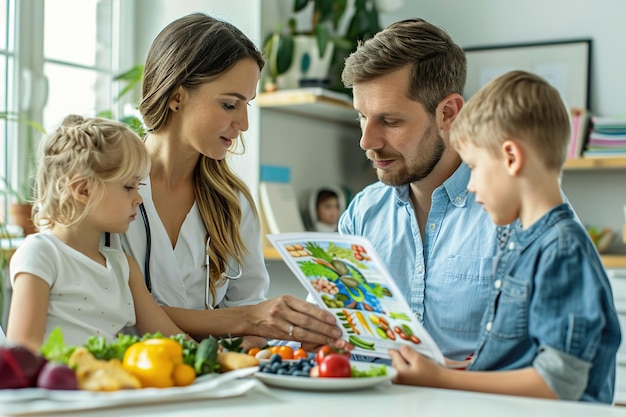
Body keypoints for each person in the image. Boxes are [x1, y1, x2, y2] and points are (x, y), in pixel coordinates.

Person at [114, 13, 344, 351]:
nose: (244, 123)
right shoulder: (107, 188)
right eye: (229, 104)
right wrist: (246, 318)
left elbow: (249, 320)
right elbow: (117, 311)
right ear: (177, 96)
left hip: (214, 386)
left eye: (247, 105)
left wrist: (291, 338)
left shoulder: (233, 203)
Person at [388, 70, 621, 403]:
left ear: (511, 158)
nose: (470, 184)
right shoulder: (520, 241)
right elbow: (516, 359)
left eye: (475, 167)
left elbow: (558, 383)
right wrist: (448, 368)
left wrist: (441, 380)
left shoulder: (562, 250)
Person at [339, 18, 498, 361]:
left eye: (391, 121)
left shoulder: (518, 212)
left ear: (448, 113)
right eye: (362, 117)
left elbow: (558, 370)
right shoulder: (362, 214)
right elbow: (336, 335)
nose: (367, 141)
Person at [6, 115, 187, 352]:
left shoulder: (124, 267)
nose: (139, 199)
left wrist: (223, 359)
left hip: (110, 384)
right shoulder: (41, 254)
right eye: (128, 187)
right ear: (83, 189)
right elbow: (22, 354)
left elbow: (173, 339)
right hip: (61, 386)